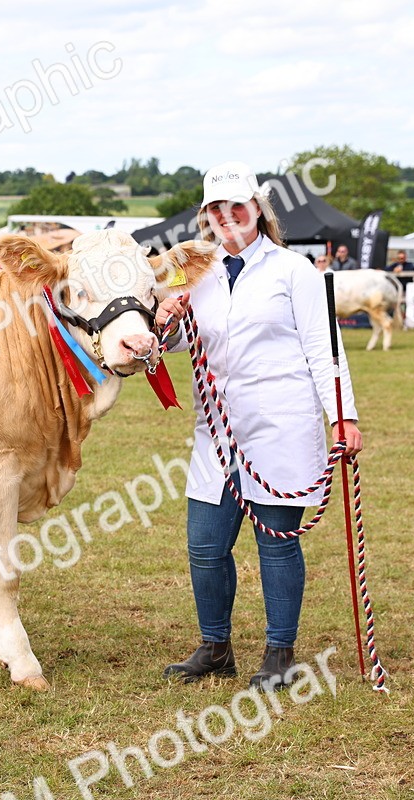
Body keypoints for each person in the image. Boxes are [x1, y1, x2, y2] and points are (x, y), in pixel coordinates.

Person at [154, 161, 363, 691]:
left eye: (237, 206)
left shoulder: (293, 271)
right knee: (205, 544)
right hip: (217, 429)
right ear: (207, 217)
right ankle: (215, 646)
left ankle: (280, 653)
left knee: (276, 543)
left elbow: (324, 348)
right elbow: (182, 344)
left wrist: (343, 416)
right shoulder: (194, 273)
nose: (229, 218)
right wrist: (168, 318)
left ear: (257, 209)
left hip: (281, 425)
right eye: (216, 210)